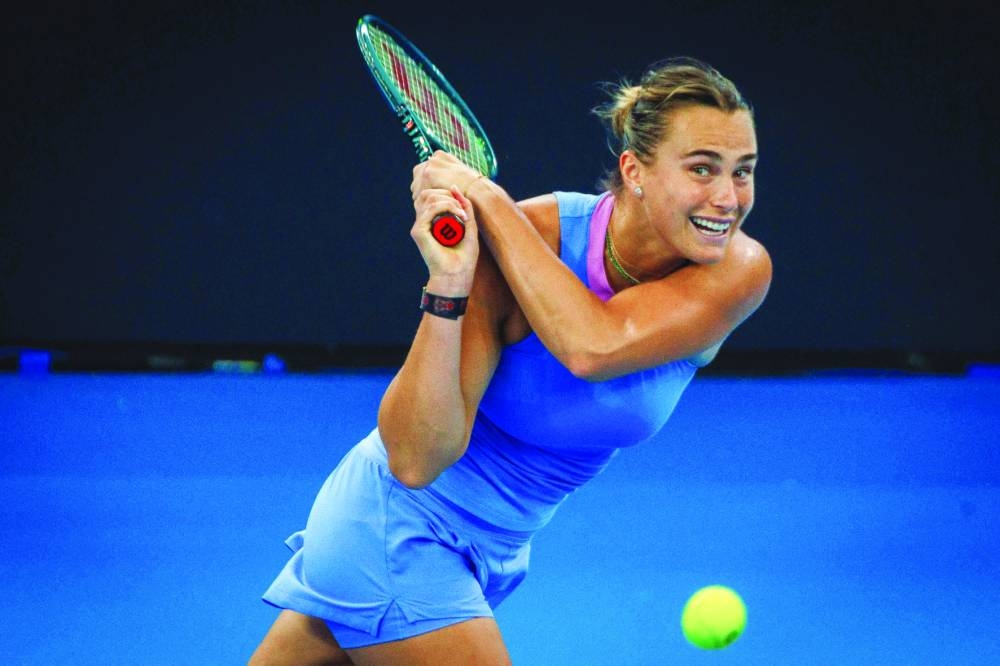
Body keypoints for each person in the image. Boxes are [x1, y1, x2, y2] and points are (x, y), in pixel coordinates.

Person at [250, 56, 771, 665]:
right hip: (397, 527)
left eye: (743, 172)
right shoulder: (532, 236)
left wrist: (488, 204)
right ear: (635, 171)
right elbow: (416, 460)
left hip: (493, 550)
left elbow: (594, 345)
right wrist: (450, 281)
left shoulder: (737, 269)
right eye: (702, 169)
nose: (727, 198)